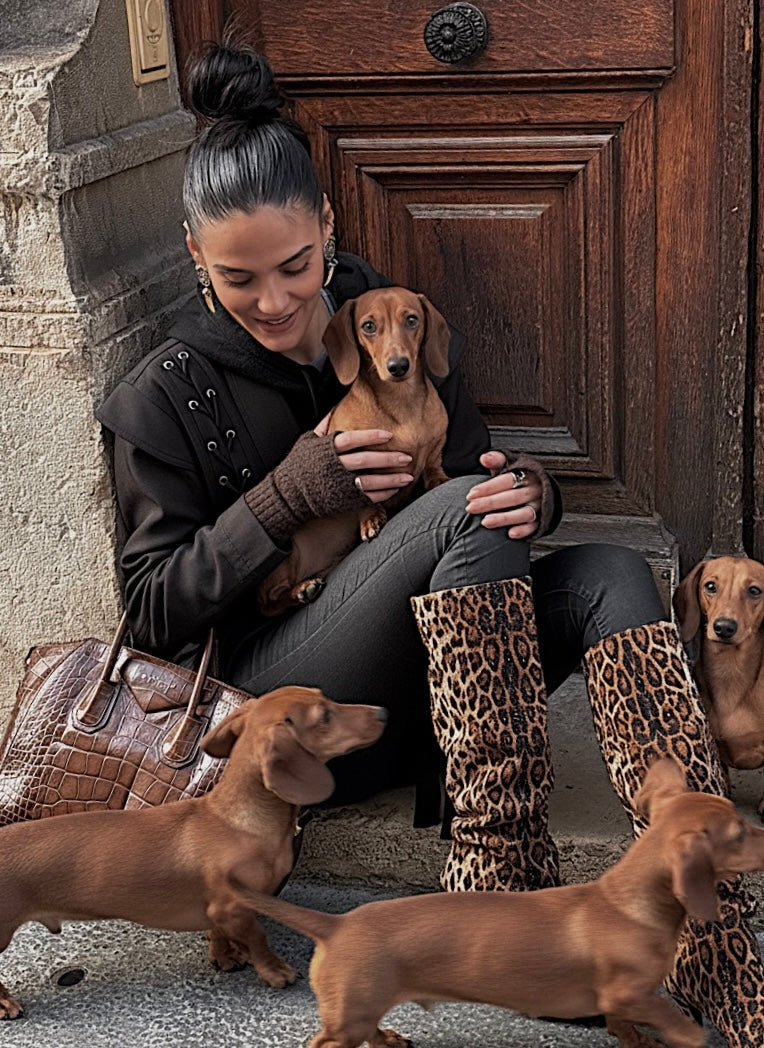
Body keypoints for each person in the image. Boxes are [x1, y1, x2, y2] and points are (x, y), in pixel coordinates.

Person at [97, 42, 763, 1045]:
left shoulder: (393, 316)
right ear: (194, 258)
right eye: (239, 279)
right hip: (300, 713)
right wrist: (280, 498)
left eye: (295, 267)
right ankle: (502, 889)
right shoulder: (165, 393)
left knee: (614, 571)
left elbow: (470, 473)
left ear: (326, 227)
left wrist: (527, 493)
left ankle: (709, 919)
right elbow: (150, 612)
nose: (276, 302)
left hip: (455, 682)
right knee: (456, 514)